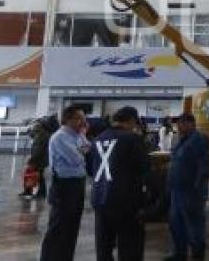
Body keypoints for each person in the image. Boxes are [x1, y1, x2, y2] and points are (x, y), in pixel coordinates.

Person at [89, 106, 149, 261]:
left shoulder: (98, 139)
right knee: (130, 248)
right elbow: (144, 169)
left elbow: (91, 170)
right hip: (126, 202)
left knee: (104, 248)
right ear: (131, 121)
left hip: (100, 199)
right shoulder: (132, 139)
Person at [40, 105, 91, 261]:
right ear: (68, 119)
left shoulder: (77, 135)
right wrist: (82, 150)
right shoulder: (60, 137)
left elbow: (88, 149)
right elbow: (77, 158)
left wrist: (82, 142)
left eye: (83, 118)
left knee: (72, 225)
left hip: (77, 184)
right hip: (64, 185)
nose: (83, 121)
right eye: (79, 118)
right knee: (59, 226)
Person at [165, 113, 209, 261]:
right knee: (176, 224)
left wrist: (197, 189)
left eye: (182, 123)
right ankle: (180, 253)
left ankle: (198, 253)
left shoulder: (199, 140)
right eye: (178, 123)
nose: (178, 126)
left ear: (191, 124)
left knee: (194, 224)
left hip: (191, 191)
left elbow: (203, 167)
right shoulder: (181, 141)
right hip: (177, 191)